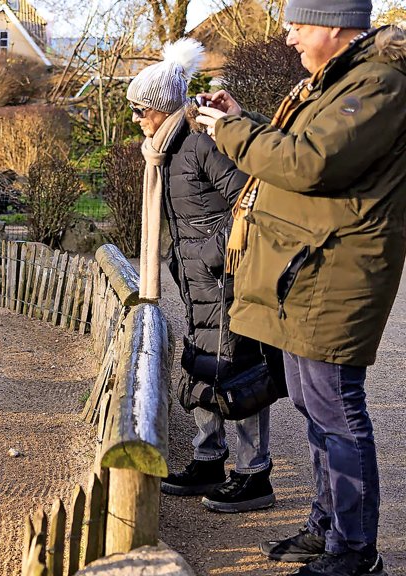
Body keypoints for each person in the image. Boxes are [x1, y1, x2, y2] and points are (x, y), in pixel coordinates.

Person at [196, 1, 406, 574]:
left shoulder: (381, 83)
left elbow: (310, 163)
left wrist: (232, 130)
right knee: (317, 412)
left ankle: (355, 553)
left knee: (338, 414)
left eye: (296, 25)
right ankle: (327, 526)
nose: (287, 37)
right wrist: (244, 117)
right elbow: (302, 148)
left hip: (336, 271)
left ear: (333, 24)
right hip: (309, 267)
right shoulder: (340, 80)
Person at [126, 38, 277, 513]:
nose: (135, 121)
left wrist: (210, 254)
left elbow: (250, 202)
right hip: (198, 281)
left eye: (138, 111)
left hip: (225, 279)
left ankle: (256, 475)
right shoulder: (165, 150)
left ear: (159, 108)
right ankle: (209, 459)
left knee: (240, 369)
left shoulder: (198, 145)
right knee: (203, 364)